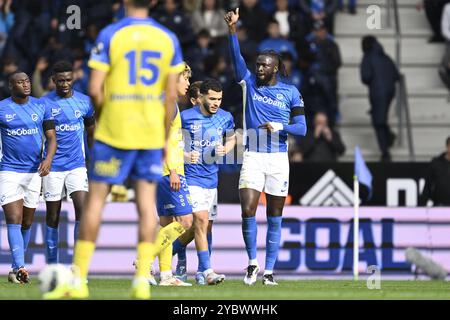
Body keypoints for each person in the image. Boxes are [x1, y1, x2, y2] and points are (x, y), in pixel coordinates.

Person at [45, 0, 185, 300]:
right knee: (146, 206)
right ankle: (141, 282)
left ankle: (79, 281)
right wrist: (161, 137)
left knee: (96, 203)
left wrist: (108, 117)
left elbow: (94, 89)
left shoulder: (110, 34)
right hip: (149, 133)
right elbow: (170, 95)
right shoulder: (168, 39)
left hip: (114, 132)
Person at [225, 8, 307, 285]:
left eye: (263, 65)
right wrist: (233, 30)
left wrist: (279, 126)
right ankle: (252, 263)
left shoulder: (291, 92)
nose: (258, 68)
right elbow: (236, 60)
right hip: (253, 155)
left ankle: (269, 272)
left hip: (278, 159)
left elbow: (303, 129)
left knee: (274, 216)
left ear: (275, 67)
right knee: (247, 210)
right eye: (257, 64)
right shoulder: (248, 83)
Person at [172, 79, 236, 285]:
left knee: (203, 227)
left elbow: (232, 138)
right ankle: (207, 271)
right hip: (191, 179)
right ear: (200, 98)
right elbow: (171, 144)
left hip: (211, 180)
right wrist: (184, 154)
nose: (216, 103)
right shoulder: (185, 117)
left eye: (219, 99)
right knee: (200, 220)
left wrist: (227, 148)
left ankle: (159, 256)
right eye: (212, 99)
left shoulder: (225, 118)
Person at [0, 71, 57, 284]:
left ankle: (16, 269)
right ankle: (21, 267)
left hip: (35, 172)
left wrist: (48, 159)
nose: (25, 84)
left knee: (27, 221)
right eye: (20, 82)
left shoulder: (42, 106)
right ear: (11, 86)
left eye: (26, 81)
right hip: (9, 171)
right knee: (13, 218)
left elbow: (52, 138)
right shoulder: (2, 108)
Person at [40, 60, 95, 265]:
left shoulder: (85, 102)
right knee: (52, 216)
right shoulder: (44, 103)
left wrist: (93, 159)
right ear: (53, 80)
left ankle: (78, 265)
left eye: (68, 80)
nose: (64, 84)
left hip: (77, 165)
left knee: (82, 209)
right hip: (52, 167)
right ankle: (52, 264)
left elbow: (91, 133)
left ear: (73, 79)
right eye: (60, 80)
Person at [153, 63, 193, 287]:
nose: (187, 84)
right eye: (185, 79)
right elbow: (165, 141)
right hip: (169, 172)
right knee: (187, 221)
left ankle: (166, 275)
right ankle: (144, 260)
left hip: (161, 170)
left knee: (166, 223)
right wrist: (175, 171)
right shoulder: (169, 103)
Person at [360, 35, 399, 162]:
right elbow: (396, 75)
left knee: (378, 122)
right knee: (380, 117)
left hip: (378, 92)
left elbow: (365, 77)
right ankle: (389, 136)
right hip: (390, 91)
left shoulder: (367, 57)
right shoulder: (386, 57)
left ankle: (385, 152)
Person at [419, 137, 450, 206]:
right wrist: (422, 204)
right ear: (447, 147)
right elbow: (428, 185)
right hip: (440, 204)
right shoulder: (436, 163)